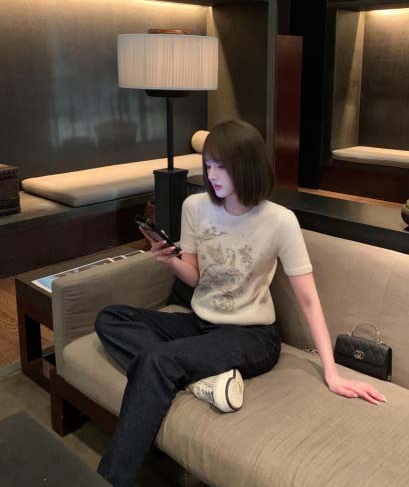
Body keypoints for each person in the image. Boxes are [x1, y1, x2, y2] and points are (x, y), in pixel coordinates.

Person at [95, 119, 386, 486]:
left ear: (247, 166)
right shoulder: (195, 207)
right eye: (208, 165)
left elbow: (309, 301)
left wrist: (331, 372)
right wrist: (169, 259)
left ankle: (109, 479)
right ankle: (201, 382)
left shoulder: (280, 221)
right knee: (110, 319)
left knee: (158, 360)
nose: (212, 175)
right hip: (201, 323)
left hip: (252, 336)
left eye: (222, 166)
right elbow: (196, 277)